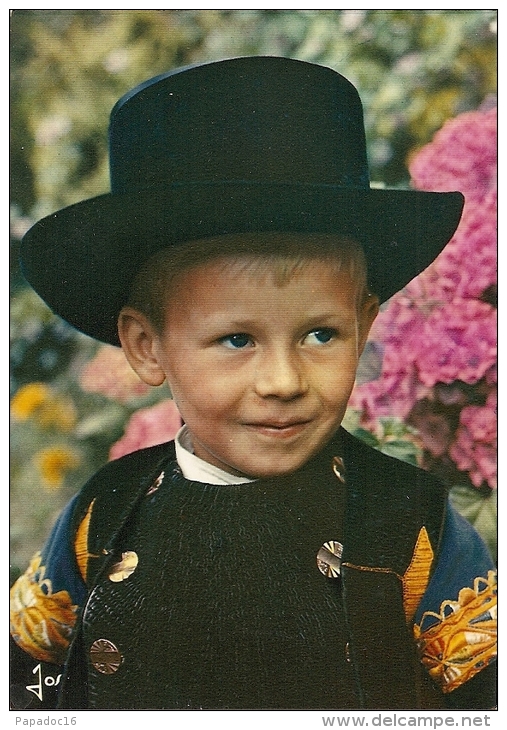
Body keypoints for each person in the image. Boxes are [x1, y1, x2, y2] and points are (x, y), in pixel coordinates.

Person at [10, 56, 496, 711]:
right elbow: (25, 682)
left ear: (364, 321)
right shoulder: (101, 518)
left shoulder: (410, 526)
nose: (283, 380)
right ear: (146, 347)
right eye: (236, 340)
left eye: (320, 334)